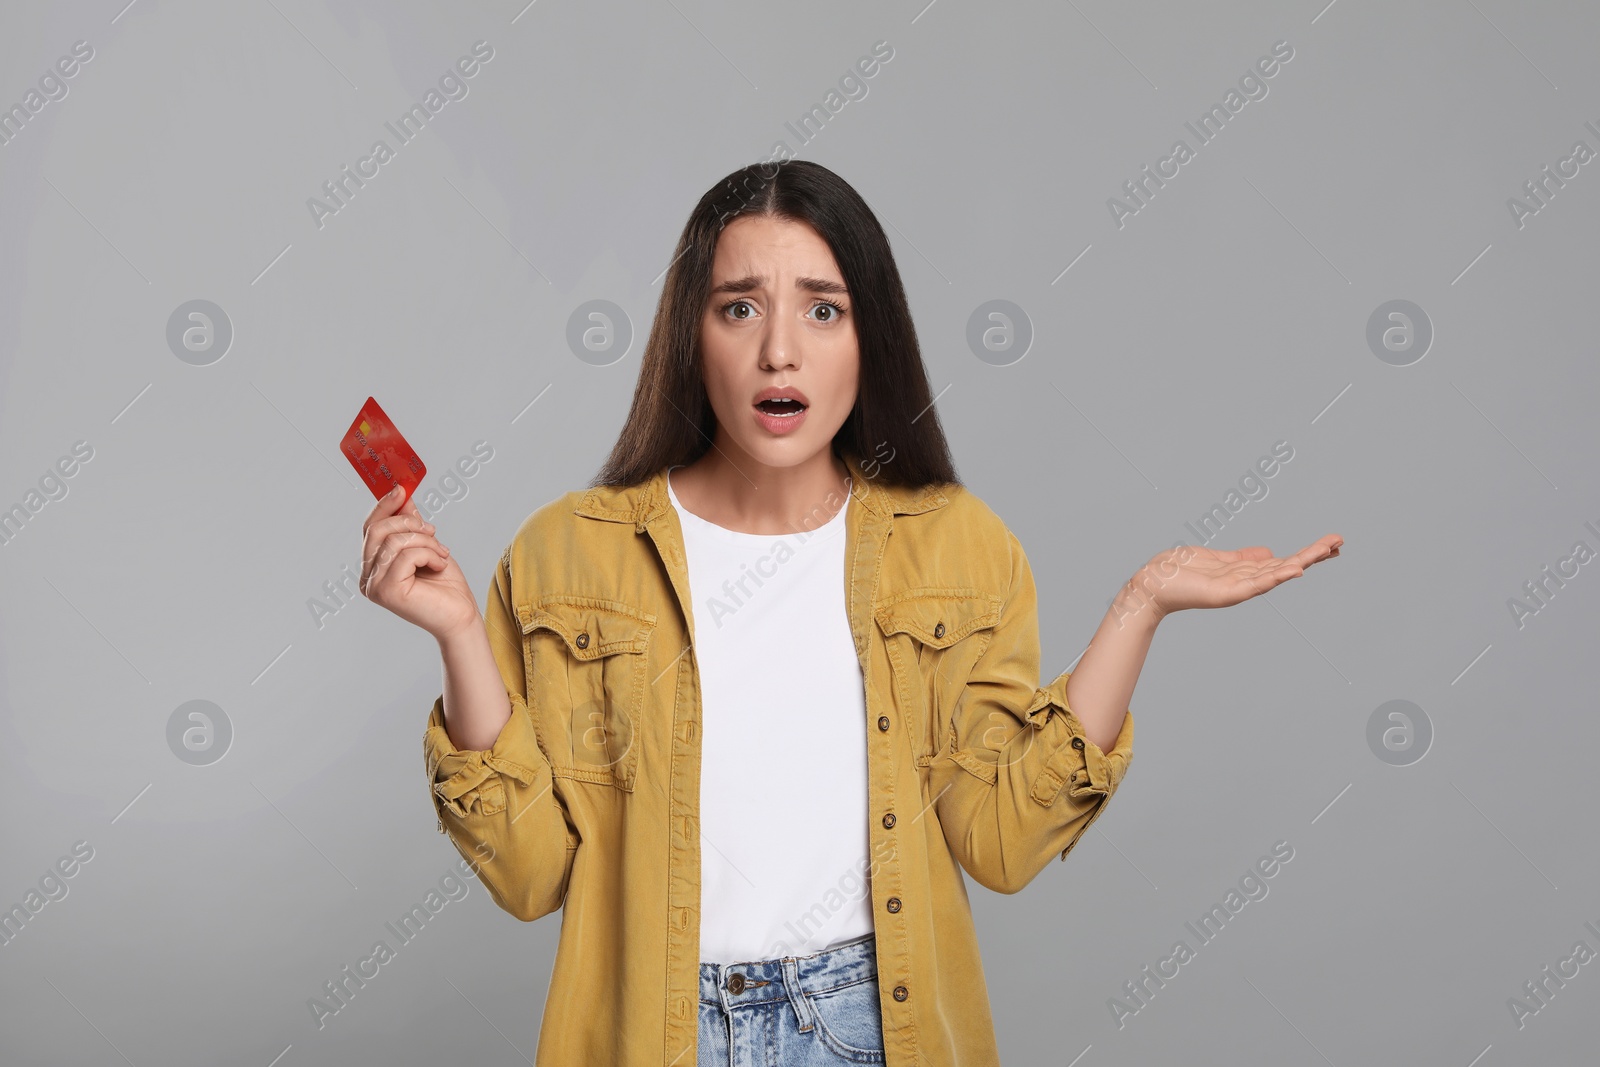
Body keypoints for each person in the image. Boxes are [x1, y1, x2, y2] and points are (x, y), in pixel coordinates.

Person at [359, 158, 1342, 1066]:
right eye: (738, 307)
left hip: (869, 1024)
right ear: (689, 336)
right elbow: (531, 873)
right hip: (650, 1033)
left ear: (868, 334)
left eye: (822, 310)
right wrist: (454, 633)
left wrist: (1141, 604)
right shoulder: (567, 551)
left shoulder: (956, 543)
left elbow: (1001, 837)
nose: (778, 350)